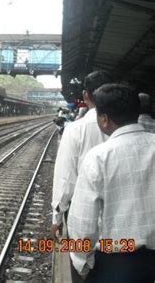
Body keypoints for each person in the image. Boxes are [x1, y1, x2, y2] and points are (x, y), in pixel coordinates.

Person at [67, 84, 155, 282]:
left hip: (116, 265)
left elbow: (83, 224)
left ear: (104, 119)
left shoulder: (98, 158)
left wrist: (83, 264)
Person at [51, 70, 113, 239]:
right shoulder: (126, 128)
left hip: (81, 215)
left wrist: (56, 216)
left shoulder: (74, 130)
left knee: (81, 260)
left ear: (86, 96)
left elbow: (65, 178)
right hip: (120, 219)